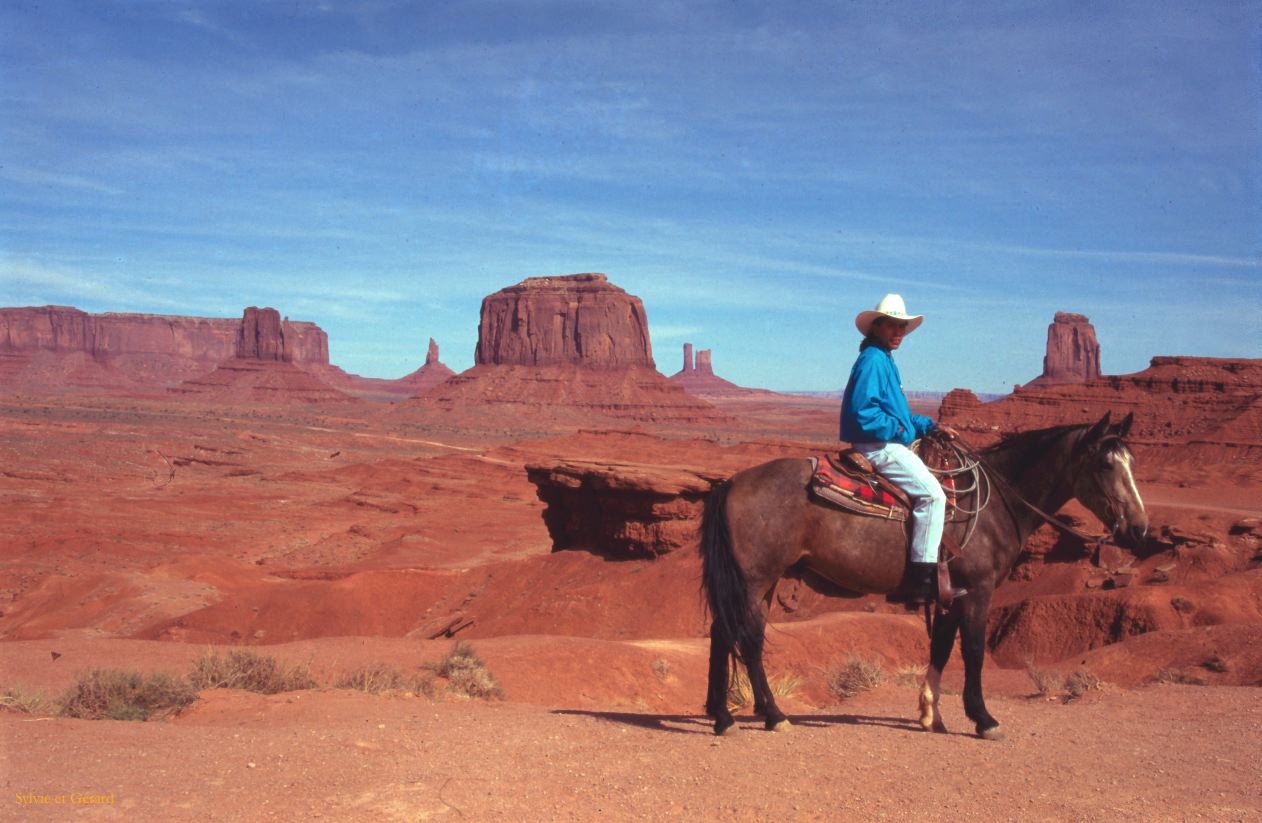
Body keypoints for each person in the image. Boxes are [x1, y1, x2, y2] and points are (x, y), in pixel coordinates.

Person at [840, 294, 959, 604]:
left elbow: (900, 412)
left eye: (903, 327)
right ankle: (921, 582)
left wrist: (929, 426)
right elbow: (863, 412)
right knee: (933, 496)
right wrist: (902, 430)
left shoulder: (884, 359)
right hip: (879, 446)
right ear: (876, 326)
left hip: (887, 440)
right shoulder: (874, 361)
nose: (899, 333)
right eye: (893, 325)